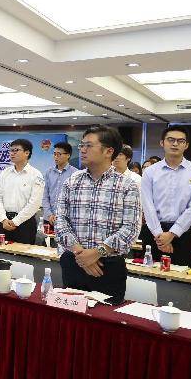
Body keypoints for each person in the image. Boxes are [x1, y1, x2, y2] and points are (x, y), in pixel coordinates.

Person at [54, 125, 142, 300]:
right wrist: (81, 254)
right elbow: (61, 221)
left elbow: (130, 229)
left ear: (109, 151)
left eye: (88, 146)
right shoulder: (72, 181)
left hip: (107, 266)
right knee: (72, 314)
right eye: (82, 145)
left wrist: (96, 253)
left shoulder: (127, 185)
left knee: (105, 315)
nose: (82, 150)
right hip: (73, 261)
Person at [140, 125, 191, 266]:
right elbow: (147, 205)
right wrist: (160, 236)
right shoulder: (150, 172)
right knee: (151, 276)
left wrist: (171, 234)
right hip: (154, 233)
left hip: (184, 234)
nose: (175, 144)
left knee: (183, 276)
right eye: (171, 140)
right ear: (162, 142)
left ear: (186, 145)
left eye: (180, 141)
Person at [0, 139, 45, 245]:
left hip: (25, 223)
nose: (12, 153)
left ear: (27, 153)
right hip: (4, 222)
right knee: (3, 253)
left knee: (23, 254)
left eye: (16, 150)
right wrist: (3, 219)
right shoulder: (5, 173)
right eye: (11, 150)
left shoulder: (36, 175)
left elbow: (35, 203)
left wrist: (16, 221)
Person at [43, 141, 78, 229]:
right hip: (48, 219)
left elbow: (75, 199)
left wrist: (61, 216)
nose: (55, 157)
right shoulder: (48, 172)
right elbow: (45, 195)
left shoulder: (76, 174)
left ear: (68, 155)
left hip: (67, 220)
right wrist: (49, 214)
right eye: (54, 154)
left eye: (59, 154)